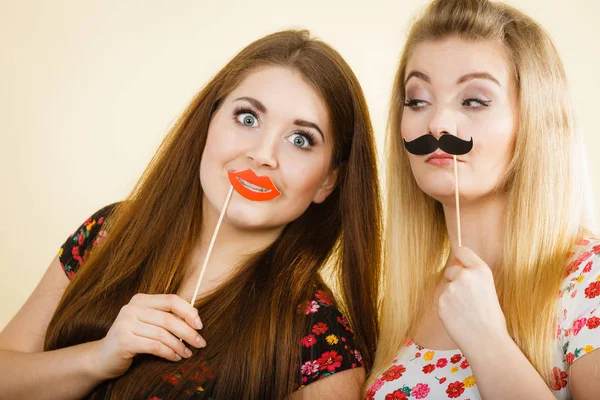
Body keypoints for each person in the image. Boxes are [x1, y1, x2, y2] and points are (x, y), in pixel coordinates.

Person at [0, 30, 382, 400]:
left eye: (300, 140)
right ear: (208, 123)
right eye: (248, 118)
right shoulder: (108, 232)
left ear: (327, 181)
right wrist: (98, 359)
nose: (263, 154)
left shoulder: (322, 339)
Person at [367, 0, 600, 398]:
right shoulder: (401, 304)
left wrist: (487, 340)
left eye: (473, 100)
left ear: (533, 120)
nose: (438, 123)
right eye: (418, 100)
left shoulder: (588, 281)